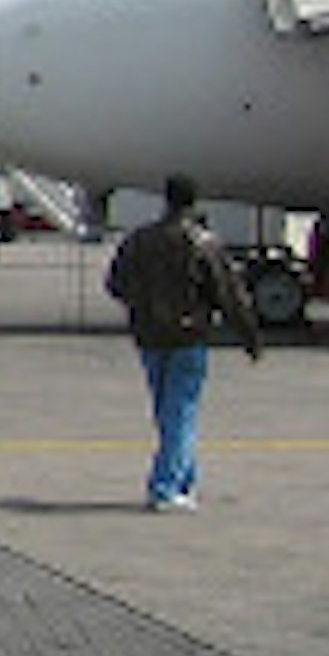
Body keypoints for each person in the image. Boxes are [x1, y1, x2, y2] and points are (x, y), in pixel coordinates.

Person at [104, 173, 262, 512]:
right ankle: (167, 486)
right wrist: (249, 336)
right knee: (181, 411)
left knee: (169, 411)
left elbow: (116, 283)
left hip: (149, 336)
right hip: (189, 337)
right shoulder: (202, 242)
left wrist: (142, 305)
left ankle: (183, 479)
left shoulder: (139, 241)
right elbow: (228, 294)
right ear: (193, 202)